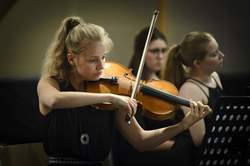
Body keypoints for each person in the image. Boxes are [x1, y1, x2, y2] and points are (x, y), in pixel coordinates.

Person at [37, 16, 211, 166]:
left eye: (103, 57)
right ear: (71, 59)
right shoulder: (51, 83)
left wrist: (183, 125)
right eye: (92, 60)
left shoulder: (112, 95)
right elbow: (54, 100)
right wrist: (112, 98)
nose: (101, 66)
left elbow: (142, 141)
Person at [113, 27, 195, 166]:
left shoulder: (169, 85)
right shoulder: (129, 88)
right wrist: (179, 145)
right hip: (142, 157)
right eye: (154, 51)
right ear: (141, 53)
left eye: (164, 50)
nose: (160, 56)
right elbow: (136, 141)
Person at [162, 31, 224, 165]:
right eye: (214, 54)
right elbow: (199, 140)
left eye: (218, 51)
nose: (221, 56)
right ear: (197, 63)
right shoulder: (190, 89)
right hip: (192, 157)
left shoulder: (215, 77)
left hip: (215, 150)